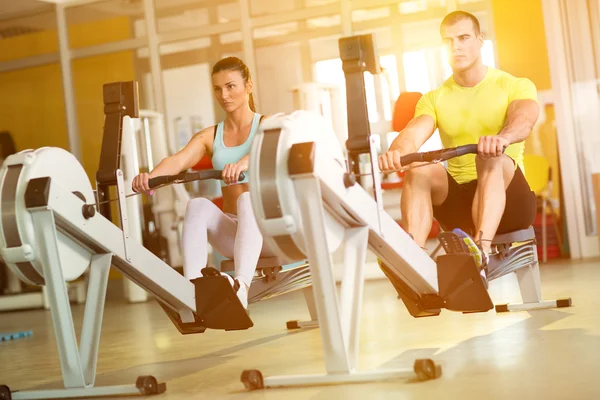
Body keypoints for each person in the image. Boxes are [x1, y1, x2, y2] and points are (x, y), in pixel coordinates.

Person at [379, 11, 540, 270]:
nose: (456, 46)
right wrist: (396, 153)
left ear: (480, 39)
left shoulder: (514, 85)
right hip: (461, 208)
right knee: (418, 169)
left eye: (464, 37)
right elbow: (412, 134)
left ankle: (481, 253)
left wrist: (502, 139)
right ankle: (414, 260)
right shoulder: (434, 98)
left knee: (490, 158)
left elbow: (524, 120)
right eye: (448, 41)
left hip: (511, 204)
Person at [132, 56, 273, 309]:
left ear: (248, 86)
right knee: (197, 205)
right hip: (236, 236)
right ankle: (193, 290)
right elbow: (178, 160)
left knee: (247, 198)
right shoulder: (212, 135)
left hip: (270, 232)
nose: (224, 95)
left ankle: (240, 289)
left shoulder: (268, 125)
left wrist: (242, 163)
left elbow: (268, 148)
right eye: (218, 89)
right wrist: (150, 178)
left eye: (231, 86)